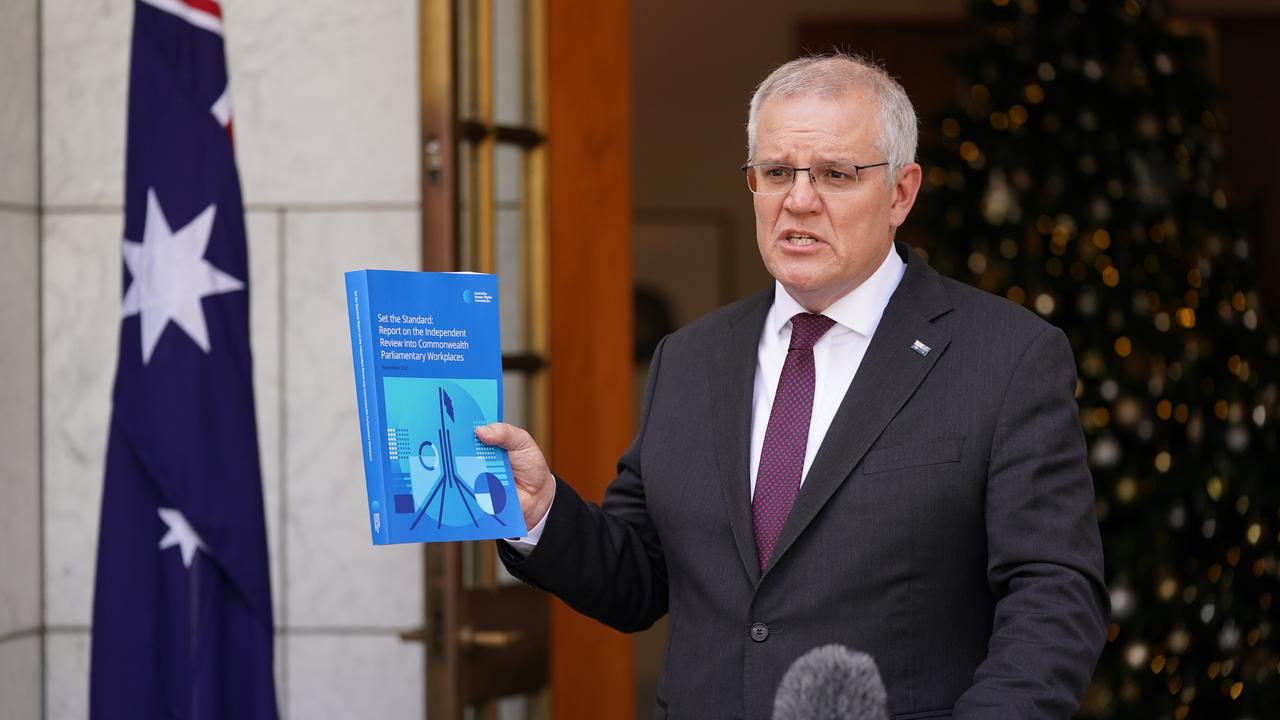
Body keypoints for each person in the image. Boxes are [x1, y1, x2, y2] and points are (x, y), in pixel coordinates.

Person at [477, 53, 1108, 720]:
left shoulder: (1006, 356)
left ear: (901, 192)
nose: (798, 199)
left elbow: (1053, 598)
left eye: (836, 174)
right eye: (776, 172)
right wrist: (540, 512)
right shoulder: (689, 359)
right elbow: (642, 578)